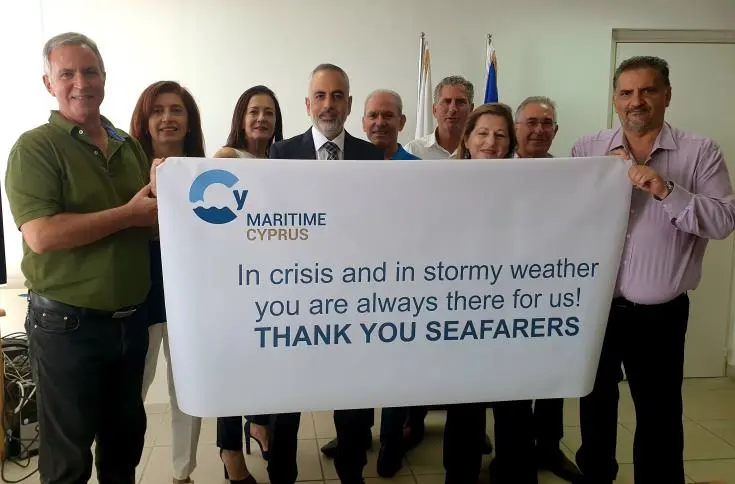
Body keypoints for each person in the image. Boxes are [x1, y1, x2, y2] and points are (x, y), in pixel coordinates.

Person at [571, 55, 735, 484]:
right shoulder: (587, 149)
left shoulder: (701, 152)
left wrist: (666, 189)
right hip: (596, 310)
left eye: (647, 90)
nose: (636, 101)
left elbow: (722, 222)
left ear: (667, 95)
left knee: (659, 416)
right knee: (594, 409)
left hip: (660, 316)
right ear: (615, 99)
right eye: (626, 92)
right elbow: (568, 220)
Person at [4, 32, 157, 483]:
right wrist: (128, 215)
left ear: (104, 78)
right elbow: (41, 235)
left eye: (90, 71)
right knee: (68, 460)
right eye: (66, 73)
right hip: (67, 328)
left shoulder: (128, 144)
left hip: (130, 323)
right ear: (48, 83)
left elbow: (146, 221)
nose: (80, 82)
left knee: (123, 449)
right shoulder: (35, 147)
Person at [267, 63, 383, 484]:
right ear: (307, 104)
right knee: (287, 400)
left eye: (337, 96)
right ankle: (282, 473)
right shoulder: (281, 154)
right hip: (297, 298)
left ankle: (351, 472)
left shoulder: (373, 157)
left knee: (352, 398)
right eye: (320, 96)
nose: (328, 104)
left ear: (349, 104)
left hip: (353, 299)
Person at [455, 103, 538, 484]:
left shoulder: (529, 186)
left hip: (512, 312)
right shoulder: (441, 185)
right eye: (483, 133)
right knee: (464, 406)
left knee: (514, 404)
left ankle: (513, 473)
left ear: (511, 143)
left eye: (500, 135)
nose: (491, 142)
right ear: (467, 139)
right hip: (459, 313)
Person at [129, 80, 206, 484]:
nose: (167, 118)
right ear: (144, 121)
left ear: (189, 121)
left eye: (176, 110)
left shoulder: (206, 172)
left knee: (188, 394)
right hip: (138, 300)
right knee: (130, 397)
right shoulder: (125, 169)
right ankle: (120, 471)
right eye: (157, 111)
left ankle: (182, 474)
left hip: (189, 302)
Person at [214, 84, 284, 484]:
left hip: (271, 279)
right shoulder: (227, 157)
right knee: (233, 369)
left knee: (266, 362)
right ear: (241, 117)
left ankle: (258, 424)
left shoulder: (280, 160)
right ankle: (229, 450)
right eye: (254, 111)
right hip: (233, 282)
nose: (261, 119)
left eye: (269, 113)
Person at [513, 96, 582, 483]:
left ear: (556, 131)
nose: (539, 130)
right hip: (503, 294)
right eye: (531, 122)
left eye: (547, 123)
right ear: (516, 128)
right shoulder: (495, 170)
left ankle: (550, 448)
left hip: (554, 291)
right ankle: (515, 455)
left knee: (552, 377)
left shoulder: (571, 176)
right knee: (516, 383)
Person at [404, 76, 474, 159]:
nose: (452, 109)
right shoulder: (413, 151)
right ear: (434, 110)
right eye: (447, 101)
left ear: (471, 109)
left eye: (460, 102)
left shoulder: (480, 150)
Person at [361, 89, 419, 160]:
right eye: (373, 115)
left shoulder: (418, 165)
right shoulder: (352, 162)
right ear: (363, 123)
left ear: (401, 122)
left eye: (388, 115)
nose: (380, 123)